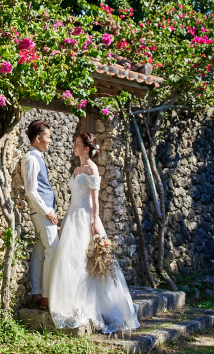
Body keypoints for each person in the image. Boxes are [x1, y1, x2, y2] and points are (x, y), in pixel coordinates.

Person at [47, 133, 139, 333]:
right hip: (72, 216)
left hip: (85, 217)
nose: (75, 147)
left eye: (78, 144)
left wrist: (95, 222)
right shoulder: (76, 168)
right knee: (69, 259)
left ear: (86, 148)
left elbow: (95, 199)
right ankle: (71, 302)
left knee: (87, 260)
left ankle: (91, 305)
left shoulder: (92, 168)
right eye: (75, 144)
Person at [22, 119, 58, 310]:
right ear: (38, 138)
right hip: (42, 213)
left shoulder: (37, 158)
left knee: (39, 252)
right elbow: (31, 191)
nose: (50, 141)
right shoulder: (30, 159)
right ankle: (47, 296)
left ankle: (37, 292)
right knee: (53, 249)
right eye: (48, 137)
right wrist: (47, 212)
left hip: (43, 211)